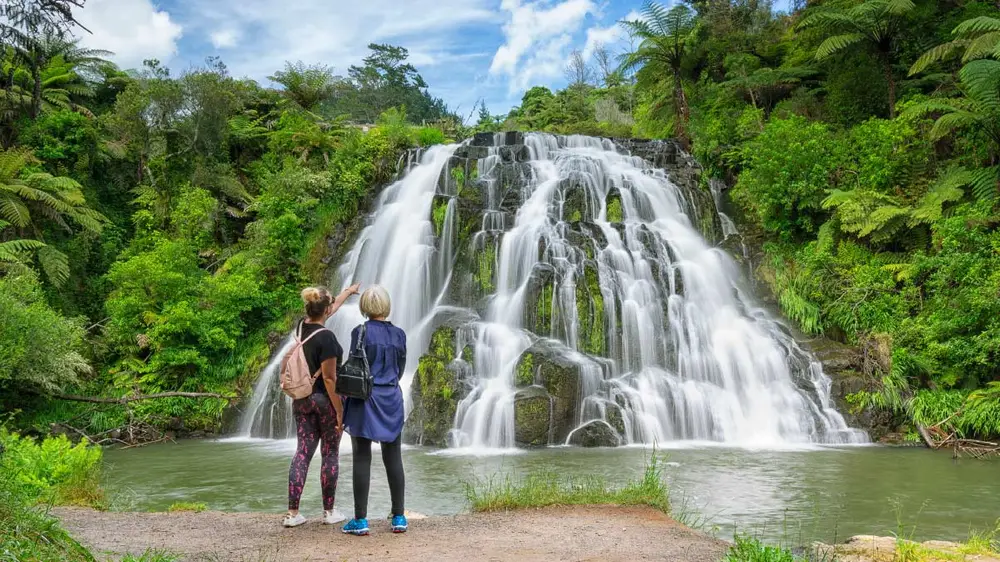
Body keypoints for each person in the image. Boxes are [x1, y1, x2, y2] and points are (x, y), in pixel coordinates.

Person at [283, 284, 360, 528]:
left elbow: (327, 310)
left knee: (302, 453)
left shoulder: (300, 327)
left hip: (302, 398)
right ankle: (329, 511)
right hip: (325, 401)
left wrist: (347, 292)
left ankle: (293, 514)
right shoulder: (327, 338)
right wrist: (339, 411)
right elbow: (329, 378)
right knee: (330, 454)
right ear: (326, 309)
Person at [341, 285, 408, 536]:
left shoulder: (359, 332)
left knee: (361, 457)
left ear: (364, 308)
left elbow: (355, 365)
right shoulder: (399, 334)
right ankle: (399, 516)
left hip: (364, 397)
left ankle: (360, 520)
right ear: (387, 307)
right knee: (394, 456)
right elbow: (401, 368)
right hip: (391, 397)